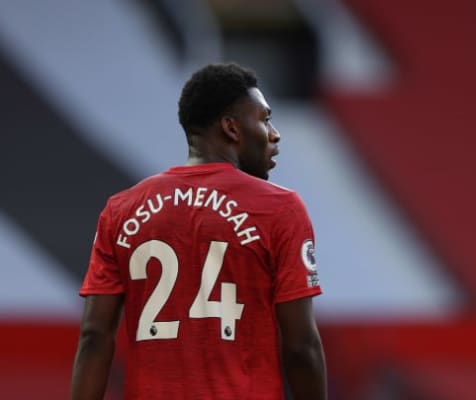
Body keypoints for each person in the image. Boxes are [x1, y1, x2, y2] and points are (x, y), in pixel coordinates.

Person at [71, 63, 327, 400]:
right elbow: (300, 346)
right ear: (231, 128)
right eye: (265, 119)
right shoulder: (280, 208)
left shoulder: (121, 210)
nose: (274, 134)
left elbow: (94, 336)